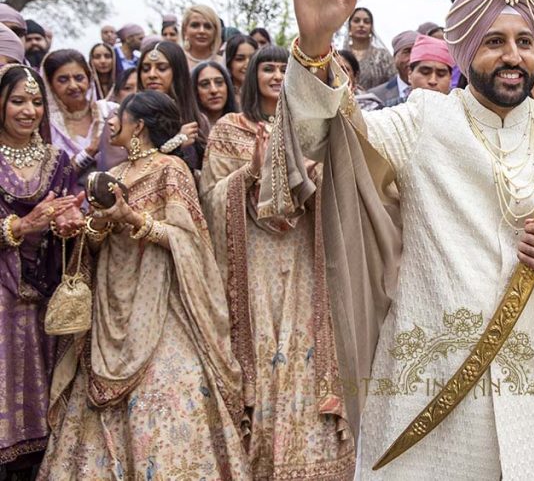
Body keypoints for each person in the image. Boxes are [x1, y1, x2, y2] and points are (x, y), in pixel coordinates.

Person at [271, 0, 534, 479]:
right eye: (494, 42)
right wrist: (317, 49)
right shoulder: (424, 117)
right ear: (467, 51)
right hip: (429, 388)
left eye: (524, 42)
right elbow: (323, 139)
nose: (512, 56)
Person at [38, 91, 249, 480]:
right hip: (111, 303)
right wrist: (96, 223)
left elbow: (189, 240)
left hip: (162, 303)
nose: (112, 121)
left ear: (140, 125)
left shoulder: (171, 169)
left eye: (121, 115)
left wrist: (133, 218)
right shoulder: (110, 177)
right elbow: (98, 243)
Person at [200, 45, 354, 479]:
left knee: (306, 343)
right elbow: (209, 199)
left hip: (306, 251)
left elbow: (341, 183)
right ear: (252, 76)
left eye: (280, 69)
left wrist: (313, 176)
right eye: (265, 68)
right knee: (263, 344)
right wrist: (249, 175)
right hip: (254, 259)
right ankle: (259, 458)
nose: (273, 75)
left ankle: (313, 460)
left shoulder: (310, 128)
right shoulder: (230, 129)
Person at [0, 64, 81, 478]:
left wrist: (69, 223)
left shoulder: (57, 160)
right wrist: (21, 225)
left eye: (35, 102)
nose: (28, 111)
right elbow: (25, 223)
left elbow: (69, 215)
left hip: (46, 298)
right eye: (18, 101)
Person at [40, 50, 124, 186]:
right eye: (63, 80)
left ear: (89, 79)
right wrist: (89, 152)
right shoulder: (47, 125)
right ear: (50, 85)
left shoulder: (110, 111)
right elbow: (50, 180)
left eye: (79, 78)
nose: (73, 86)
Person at [137, 41, 207, 171]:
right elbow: (127, 171)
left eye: (161, 68)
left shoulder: (197, 119)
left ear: (178, 72)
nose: (152, 74)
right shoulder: (128, 118)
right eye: (146, 69)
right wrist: (176, 143)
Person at [340, 7, 392, 90]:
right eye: (356, 21)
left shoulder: (383, 56)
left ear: (371, 28)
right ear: (349, 27)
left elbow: (393, 84)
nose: (361, 25)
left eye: (366, 22)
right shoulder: (340, 57)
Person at [366, 30, 417, 106]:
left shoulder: (433, 92)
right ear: (394, 58)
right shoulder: (375, 95)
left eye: (416, 52)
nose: (412, 58)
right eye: (407, 52)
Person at [192, 60, 238, 126]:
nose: (214, 90)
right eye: (205, 84)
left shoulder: (242, 124)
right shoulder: (185, 128)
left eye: (219, 82)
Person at [180, 4, 224, 69]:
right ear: (185, 30)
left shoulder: (224, 64)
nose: (202, 31)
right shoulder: (176, 62)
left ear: (215, 32)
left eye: (207, 26)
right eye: (195, 25)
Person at [225, 34, 259, 102]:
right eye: (240, 59)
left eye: (252, 58)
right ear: (229, 63)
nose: (247, 64)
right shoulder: (222, 94)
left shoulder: (265, 93)